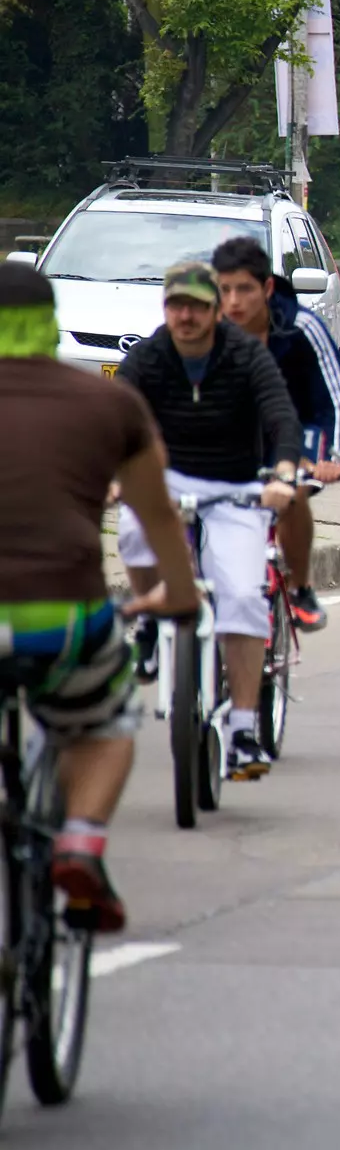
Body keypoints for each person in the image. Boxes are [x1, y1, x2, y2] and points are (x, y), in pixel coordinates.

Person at [0, 263, 201, 932]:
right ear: (50, 321)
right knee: (108, 720)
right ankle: (81, 838)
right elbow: (159, 516)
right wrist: (179, 595)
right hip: (63, 620)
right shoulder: (107, 404)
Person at [116, 262, 300, 781]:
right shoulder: (148, 357)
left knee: (242, 595)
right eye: (177, 306)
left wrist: (283, 473)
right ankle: (152, 622)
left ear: (216, 311)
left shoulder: (244, 355)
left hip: (237, 487)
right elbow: (117, 416)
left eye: (197, 306)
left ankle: (242, 728)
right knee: (132, 530)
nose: (186, 316)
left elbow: (280, 415)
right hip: (167, 481)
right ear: (165, 309)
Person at [210, 237, 340, 632]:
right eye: (225, 290)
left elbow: (336, 398)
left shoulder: (301, 327)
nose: (234, 302)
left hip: (300, 430)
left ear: (267, 289)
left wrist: (335, 459)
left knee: (291, 492)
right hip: (235, 434)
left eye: (245, 290)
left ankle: (300, 586)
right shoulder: (205, 330)